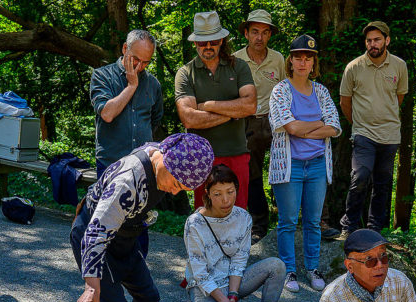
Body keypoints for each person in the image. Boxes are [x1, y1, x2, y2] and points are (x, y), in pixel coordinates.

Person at [63, 133, 214, 302]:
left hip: (124, 237)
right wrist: (92, 288)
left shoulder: (165, 155)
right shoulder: (128, 180)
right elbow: (96, 232)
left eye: (182, 188)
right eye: (176, 183)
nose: (175, 192)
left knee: (148, 297)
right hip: (95, 241)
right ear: (166, 160)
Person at [268, 35, 341, 293]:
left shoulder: (321, 91)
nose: (303, 62)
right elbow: (290, 127)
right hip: (290, 165)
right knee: (287, 220)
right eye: (298, 57)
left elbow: (335, 127)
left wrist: (304, 130)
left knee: (312, 221)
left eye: (308, 57)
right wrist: (317, 125)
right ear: (291, 60)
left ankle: (312, 268)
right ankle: (289, 271)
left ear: (313, 62)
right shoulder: (281, 90)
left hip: (318, 164)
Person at [184, 165, 286, 302]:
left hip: (232, 282)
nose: (225, 200)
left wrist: (232, 298)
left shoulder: (243, 217)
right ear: (207, 194)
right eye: (217, 194)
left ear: (237, 190)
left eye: (230, 192)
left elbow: (239, 261)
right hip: (204, 286)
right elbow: (199, 273)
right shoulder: (194, 224)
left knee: (276, 266)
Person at [326, 20, 408, 241]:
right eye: (369, 40)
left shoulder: (399, 66)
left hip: (390, 134)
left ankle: (374, 230)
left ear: (387, 41)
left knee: (383, 183)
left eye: (377, 39)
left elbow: (398, 98)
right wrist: (359, 124)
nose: (373, 44)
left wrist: (384, 117)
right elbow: (345, 102)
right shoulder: (354, 67)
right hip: (363, 133)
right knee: (360, 176)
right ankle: (349, 226)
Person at [175, 11, 256, 210]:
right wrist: (233, 113)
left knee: (238, 214)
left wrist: (208, 105)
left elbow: (250, 105)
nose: (208, 47)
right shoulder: (185, 73)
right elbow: (189, 119)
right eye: (202, 43)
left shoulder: (239, 67)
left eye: (212, 41)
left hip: (236, 154)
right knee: (204, 217)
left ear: (221, 40)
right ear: (195, 43)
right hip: (199, 158)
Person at [235, 9, 284, 243]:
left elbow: (286, 91)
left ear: (270, 35)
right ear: (246, 33)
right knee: (252, 174)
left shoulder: (279, 59)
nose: (259, 38)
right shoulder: (235, 60)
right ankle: (258, 224)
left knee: (282, 171)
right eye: (254, 32)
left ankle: (285, 221)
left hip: (275, 121)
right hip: (248, 122)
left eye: (265, 33)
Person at [90, 29, 163, 179]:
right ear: (125, 48)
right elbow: (107, 114)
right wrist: (131, 86)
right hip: (110, 164)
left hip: (143, 165)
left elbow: (155, 120)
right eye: (136, 59)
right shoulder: (102, 76)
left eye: (146, 62)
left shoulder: (153, 83)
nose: (140, 66)